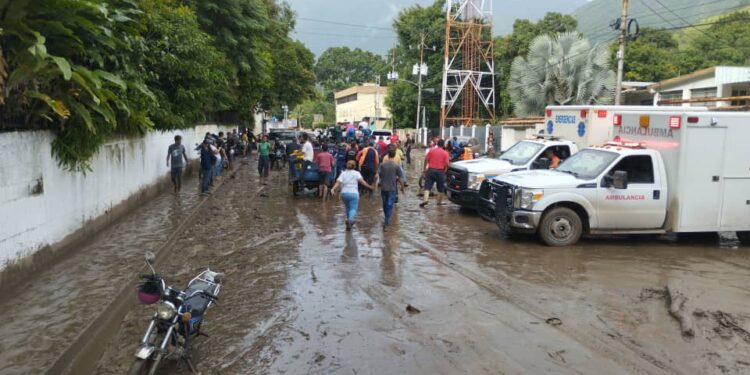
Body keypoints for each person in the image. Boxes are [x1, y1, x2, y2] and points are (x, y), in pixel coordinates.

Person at [332, 160, 375, 231]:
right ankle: (350, 220)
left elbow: (338, 182)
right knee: (353, 209)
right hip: (353, 193)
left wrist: (333, 189)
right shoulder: (356, 173)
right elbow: (362, 182)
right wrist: (370, 187)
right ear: (354, 166)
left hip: (344, 194)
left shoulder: (343, 173)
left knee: (348, 208)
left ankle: (349, 225)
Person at [378, 148, 406, 231]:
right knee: (390, 205)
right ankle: (386, 222)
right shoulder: (396, 166)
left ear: (388, 155)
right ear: (394, 156)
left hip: (383, 188)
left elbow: (378, 175)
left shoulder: (382, 165)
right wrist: (402, 188)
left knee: (385, 204)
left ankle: (386, 220)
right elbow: (401, 178)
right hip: (392, 188)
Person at [421, 139, 450, 208]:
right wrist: (445, 171)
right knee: (441, 188)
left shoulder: (431, 150)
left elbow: (426, 160)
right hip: (440, 171)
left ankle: (425, 200)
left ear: (437, 144)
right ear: (443, 145)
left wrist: (424, 169)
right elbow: (447, 164)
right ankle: (439, 202)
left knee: (427, 186)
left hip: (430, 170)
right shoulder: (445, 153)